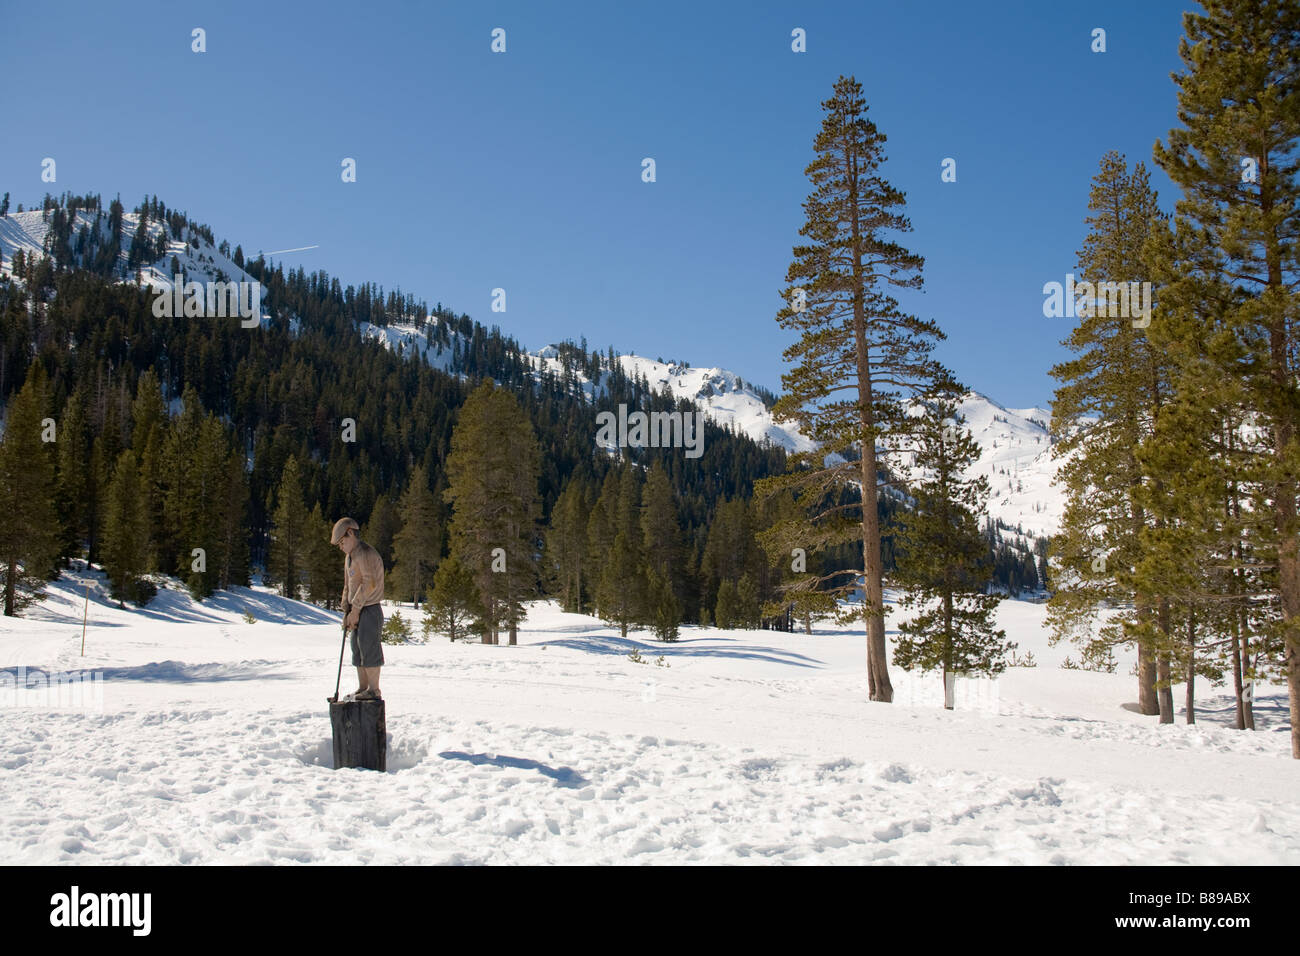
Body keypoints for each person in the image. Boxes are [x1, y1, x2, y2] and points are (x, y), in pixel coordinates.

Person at [330, 517, 385, 700]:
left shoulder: (365, 554)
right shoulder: (349, 557)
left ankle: (374, 690)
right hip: (356, 609)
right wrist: (346, 608)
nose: (341, 546)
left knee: (369, 647)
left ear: (351, 533)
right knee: (357, 647)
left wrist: (355, 610)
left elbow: (369, 583)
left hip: (369, 608)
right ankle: (363, 687)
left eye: (342, 541)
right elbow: (348, 584)